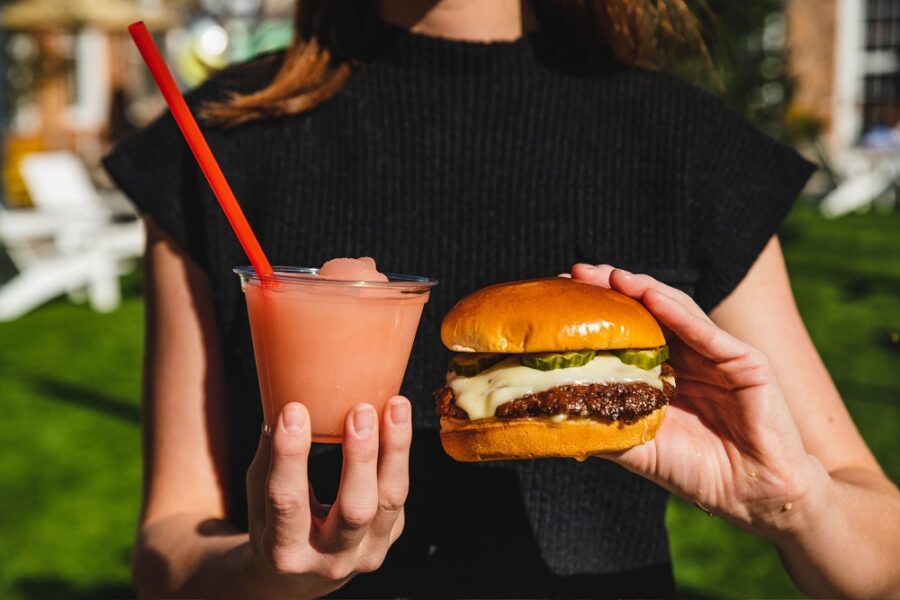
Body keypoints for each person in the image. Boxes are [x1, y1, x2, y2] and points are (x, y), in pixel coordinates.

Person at [103, 1, 900, 597]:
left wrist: (795, 501)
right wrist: (262, 575)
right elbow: (168, 544)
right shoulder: (214, 139)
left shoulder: (687, 146)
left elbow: (880, 564)